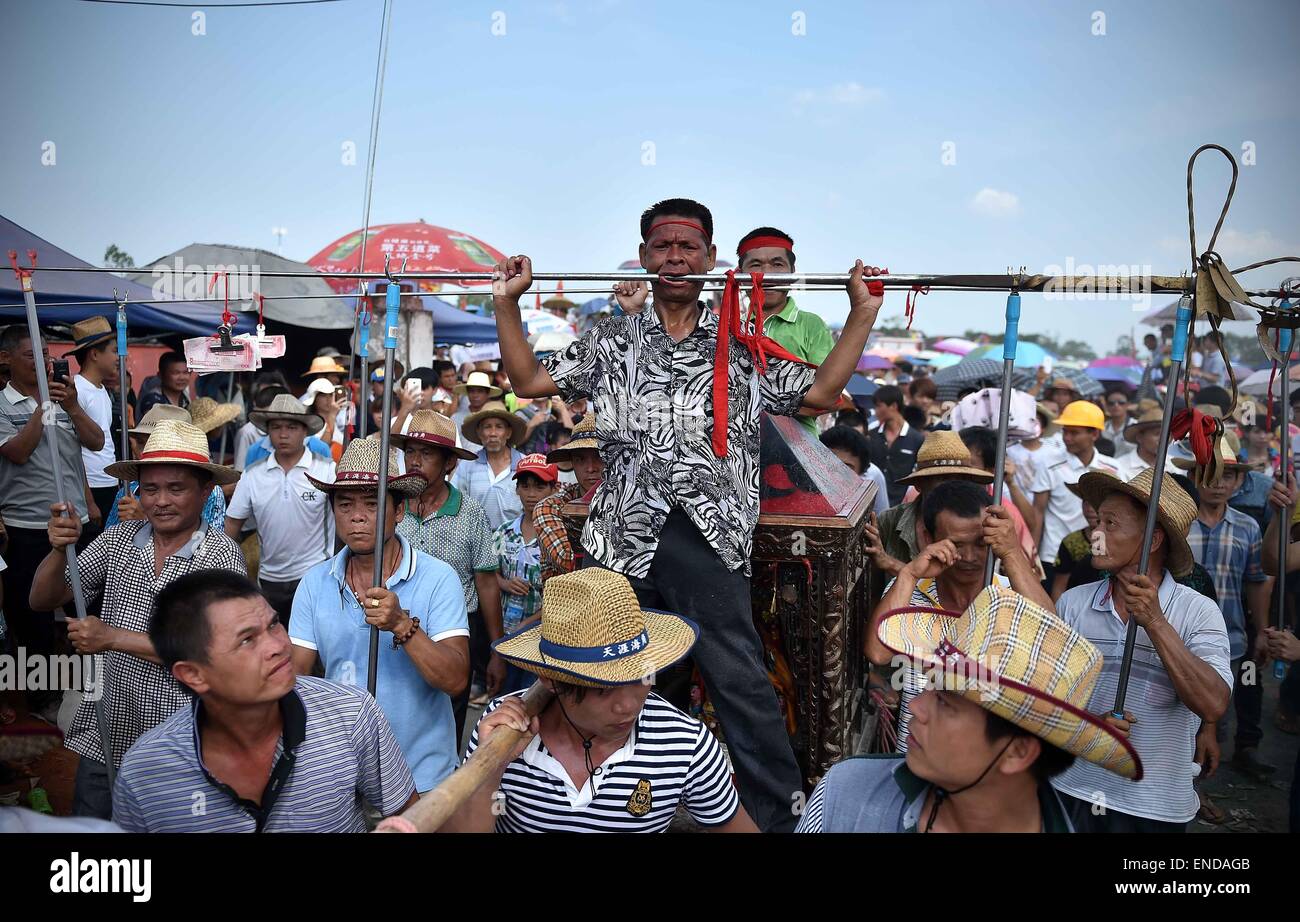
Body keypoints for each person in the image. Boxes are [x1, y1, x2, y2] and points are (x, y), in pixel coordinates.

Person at [490, 197, 884, 832]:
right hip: (621, 539)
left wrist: (861, 313)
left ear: (709, 260)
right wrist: (507, 303)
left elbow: (816, 392)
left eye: (688, 246)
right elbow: (530, 381)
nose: (675, 256)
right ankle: (636, 815)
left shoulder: (742, 343)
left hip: (710, 539)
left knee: (742, 686)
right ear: (645, 258)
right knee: (627, 684)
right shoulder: (610, 340)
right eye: (663, 247)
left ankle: (780, 821)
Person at [27, 420, 246, 818]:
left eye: (176, 488)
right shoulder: (118, 539)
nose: (161, 501)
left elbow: (211, 653)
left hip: (181, 741)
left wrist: (113, 638)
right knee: (93, 834)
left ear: (206, 491)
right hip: (108, 726)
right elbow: (42, 599)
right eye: (150, 489)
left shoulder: (221, 558)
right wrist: (60, 549)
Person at [798, 584, 1141, 833]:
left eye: (945, 702)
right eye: (930, 688)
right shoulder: (844, 793)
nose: (916, 706)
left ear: (1018, 751)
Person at [438, 568, 757, 833]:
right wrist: (490, 768)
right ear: (551, 680)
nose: (628, 706)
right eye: (602, 690)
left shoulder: (685, 744)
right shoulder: (499, 728)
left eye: (640, 679)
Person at [113, 569, 416, 832]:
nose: (278, 645)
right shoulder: (146, 775)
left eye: (273, 624)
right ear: (193, 674)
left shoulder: (350, 713)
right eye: (247, 639)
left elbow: (413, 818)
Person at [1052, 469, 1231, 831]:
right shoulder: (1073, 603)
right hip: (1072, 789)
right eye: (1097, 520)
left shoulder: (1197, 611)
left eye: (1111, 523)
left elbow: (1213, 703)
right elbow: (1044, 697)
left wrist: (1156, 623)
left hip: (1154, 805)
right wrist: (1087, 727)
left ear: (1152, 540)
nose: (1095, 534)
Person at [289, 437, 470, 793]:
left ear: (399, 511)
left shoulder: (438, 578)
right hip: (342, 775)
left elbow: (455, 680)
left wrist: (403, 626)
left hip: (421, 777)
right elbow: (296, 678)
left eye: (372, 504)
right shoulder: (314, 583)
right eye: (345, 504)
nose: (357, 516)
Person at [868, 480, 1054, 751]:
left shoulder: (1011, 595)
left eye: (981, 543)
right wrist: (908, 573)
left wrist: (1012, 552)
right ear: (928, 538)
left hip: (988, 766)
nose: (970, 556)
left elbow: (1053, 637)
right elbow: (877, 653)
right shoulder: (909, 592)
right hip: (917, 754)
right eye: (956, 544)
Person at [0, 325, 106, 721]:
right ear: (7, 359)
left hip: (75, 526)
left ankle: (89, 690)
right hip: (27, 528)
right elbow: (18, 452)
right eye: (32, 355)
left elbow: (95, 444)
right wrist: (42, 409)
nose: (44, 361)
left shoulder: (66, 401)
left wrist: (72, 407)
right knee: (33, 619)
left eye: (46, 354)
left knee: (86, 610)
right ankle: (43, 700)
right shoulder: (2, 405)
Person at [391, 409, 503, 742]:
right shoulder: (391, 508)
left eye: (426, 453)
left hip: (454, 635)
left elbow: (486, 581)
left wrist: (496, 649)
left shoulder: (469, 511)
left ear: (449, 463)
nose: (414, 460)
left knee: (447, 725)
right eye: (410, 451)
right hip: (395, 631)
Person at [1178, 438, 1275, 781]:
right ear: (1193, 478)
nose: (1218, 483)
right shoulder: (1178, 526)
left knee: (1225, 705)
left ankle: (1215, 772)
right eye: (1210, 474)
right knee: (1178, 710)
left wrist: (1260, 630)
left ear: (1237, 483)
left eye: (1228, 475)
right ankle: (1183, 784)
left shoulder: (1247, 527)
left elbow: (1257, 580)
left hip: (1230, 633)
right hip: (1179, 633)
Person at [223, 395, 336, 631]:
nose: (283, 434)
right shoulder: (253, 474)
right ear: (268, 432)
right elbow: (232, 525)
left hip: (315, 575)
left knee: (313, 650)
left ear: (305, 432)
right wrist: (230, 573)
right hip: (269, 579)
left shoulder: (326, 469)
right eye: (276, 427)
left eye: (292, 427)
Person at [732, 227, 834, 437]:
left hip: (799, 448)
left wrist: (760, 403)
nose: (766, 273)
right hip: (738, 450)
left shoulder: (811, 325)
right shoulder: (730, 327)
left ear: (792, 273)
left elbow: (828, 395)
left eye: (777, 264)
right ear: (740, 275)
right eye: (756, 265)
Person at [865, 430, 993, 580]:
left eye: (960, 479)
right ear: (920, 484)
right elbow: (873, 590)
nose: (952, 487)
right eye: (943, 479)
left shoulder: (985, 522)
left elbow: (958, 588)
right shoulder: (889, 521)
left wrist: (891, 564)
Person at [1031, 400, 1117, 585]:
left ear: (1094, 434)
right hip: (1052, 556)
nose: (1067, 438)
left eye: (1074, 432)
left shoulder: (1114, 469)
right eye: (1065, 431)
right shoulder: (1048, 464)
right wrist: (1032, 555)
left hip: (1101, 556)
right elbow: (1037, 511)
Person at [104, 405, 228, 531]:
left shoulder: (210, 493)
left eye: (176, 489)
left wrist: (145, 521)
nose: (146, 452)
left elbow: (207, 544)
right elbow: (108, 543)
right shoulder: (126, 493)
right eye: (141, 443)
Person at [494, 453, 559, 693]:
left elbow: (561, 596)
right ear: (517, 489)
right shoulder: (504, 532)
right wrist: (504, 584)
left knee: (532, 697)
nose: (531, 494)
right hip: (506, 634)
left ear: (554, 488)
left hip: (540, 639)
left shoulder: (558, 537)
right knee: (505, 696)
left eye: (539, 486)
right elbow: (490, 574)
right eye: (525, 486)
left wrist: (529, 623)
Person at [535, 412, 605, 581]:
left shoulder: (633, 502)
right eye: (581, 459)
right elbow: (568, 562)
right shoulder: (551, 507)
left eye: (599, 457)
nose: (590, 468)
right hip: (567, 601)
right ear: (572, 463)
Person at [69, 317, 121, 539]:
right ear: (94, 354)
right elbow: (71, 450)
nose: (117, 357)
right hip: (92, 486)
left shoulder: (100, 389)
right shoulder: (76, 390)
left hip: (108, 481)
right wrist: (88, 499)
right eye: (112, 350)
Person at [958, 425, 1039, 558]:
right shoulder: (933, 498)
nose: (958, 471)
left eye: (968, 465)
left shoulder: (1004, 511)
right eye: (956, 462)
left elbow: (1026, 565)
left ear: (991, 470)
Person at [452, 400, 527, 530]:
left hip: (514, 542)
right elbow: (454, 501)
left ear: (508, 433)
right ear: (480, 433)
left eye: (499, 427)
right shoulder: (468, 465)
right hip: (475, 540)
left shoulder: (523, 464)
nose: (493, 433)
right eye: (487, 427)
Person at [867, 384, 923, 506]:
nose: (875, 411)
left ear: (893, 406)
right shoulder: (871, 435)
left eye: (878, 406)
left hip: (902, 505)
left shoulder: (917, 439)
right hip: (872, 502)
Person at [820, 425, 889, 516]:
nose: (835, 473)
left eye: (846, 468)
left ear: (861, 474)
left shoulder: (873, 478)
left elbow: (881, 516)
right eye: (829, 464)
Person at [451, 370, 503, 455]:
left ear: (487, 393)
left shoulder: (494, 418)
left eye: (480, 391)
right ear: (467, 393)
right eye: (472, 391)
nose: (475, 395)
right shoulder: (456, 418)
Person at [300, 378, 348, 461]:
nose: (328, 399)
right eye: (323, 395)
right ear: (314, 399)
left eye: (330, 395)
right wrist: (332, 416)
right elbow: (321, 448)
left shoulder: (335, 420)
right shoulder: (309, 424)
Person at [136, 351, 191, 418]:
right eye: (176, 373)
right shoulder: (153, 400)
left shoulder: (185, 397)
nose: (182, 378)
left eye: (186, 373)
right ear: (161, 375)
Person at [1101, 388, 1133, 458]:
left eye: (1121, 403)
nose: (1116, 406)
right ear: (1106, 405)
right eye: (1111, 403)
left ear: (1128, 404)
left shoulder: (1136, 427)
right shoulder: (1101, 428)